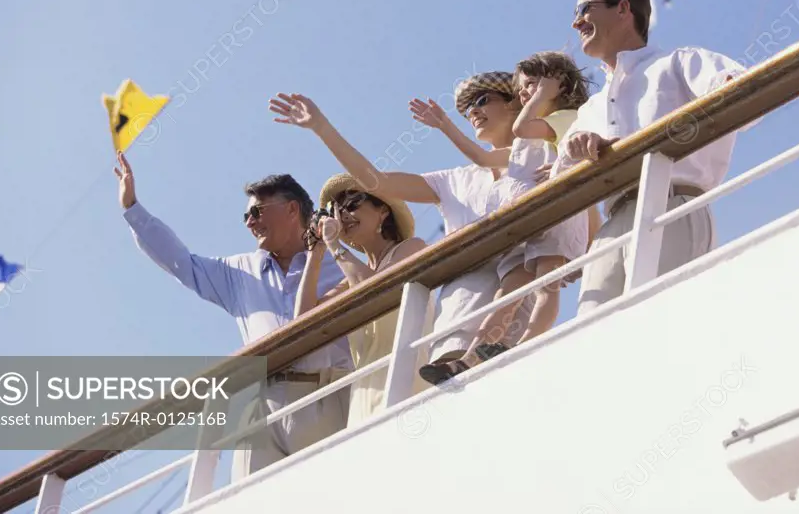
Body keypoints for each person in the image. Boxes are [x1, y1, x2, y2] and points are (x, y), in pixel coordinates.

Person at [268, 74, 534, 370]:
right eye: (468, 107)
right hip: (454, 327)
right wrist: (321, 128)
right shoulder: (453, 181)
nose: (472, 111)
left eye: (482, 100)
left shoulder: (539, 158)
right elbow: (375, 182)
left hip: (514, 317)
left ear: (515, 104)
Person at [114, 152, 352, 481]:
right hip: (260, 409)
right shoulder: (237, 272)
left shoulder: (339, 261)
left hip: (328, 395)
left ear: (292, 209)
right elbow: (183, 263)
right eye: (246, 217)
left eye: (256, 212)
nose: (249, 222)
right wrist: (132, 209)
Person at [552, 0, 754, 314]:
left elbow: (742, 95)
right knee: (590, 340)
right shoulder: (590, 109)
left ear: (623, 9)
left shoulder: (679, 62)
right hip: (610, 227)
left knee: (663, 322)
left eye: (585, 9)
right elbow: (560, 183)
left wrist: (727, 86)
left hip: (673, 206)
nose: (575, 22)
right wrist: (574, 150)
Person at [407, 52, 594, 384]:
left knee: (545, 287)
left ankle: (529, 343)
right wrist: (445, 126)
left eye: (530, 86)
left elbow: (525, 127)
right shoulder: (524, 142)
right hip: (526, 225)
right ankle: (473, 354)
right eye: (521, 90)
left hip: (554, 216)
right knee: (506, 295)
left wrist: (540, 98)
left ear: (557, 86)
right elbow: (480, 156)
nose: (524, 95)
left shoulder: (565, 118)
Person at [294, 173, 434, 425]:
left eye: (352, 203)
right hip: (364, 395)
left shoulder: (412, 248)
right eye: (336, 210)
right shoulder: (351, 280)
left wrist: (336, 246)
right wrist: (316, 253)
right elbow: (303, 320)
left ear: (383, 211)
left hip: (407, 383)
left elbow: (376, 292)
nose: (343, 214)